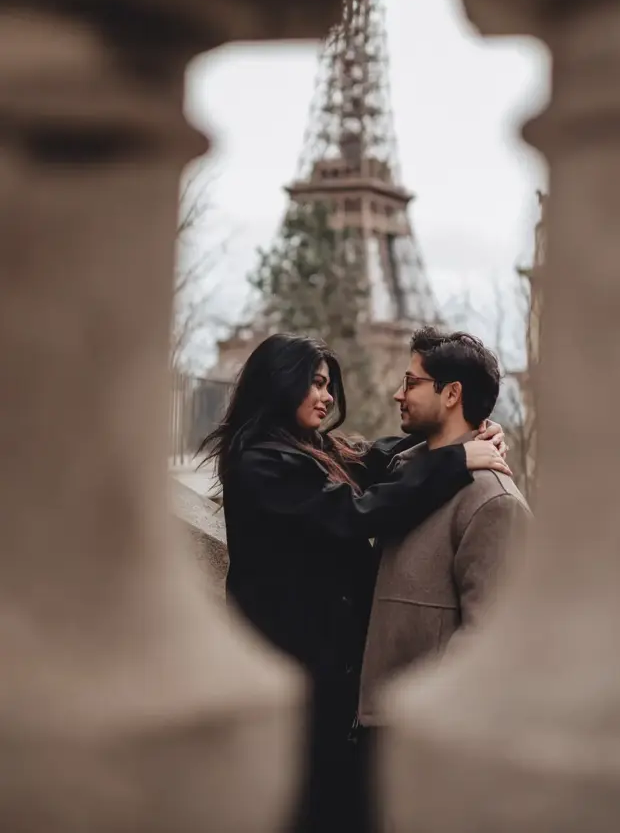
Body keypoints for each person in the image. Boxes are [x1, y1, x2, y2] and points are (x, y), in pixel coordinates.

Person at [200, 332, 509, 833]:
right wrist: (455, 459)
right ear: (281, 384)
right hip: (296, 683)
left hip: (324, 682)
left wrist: (467, 439)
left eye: (329, 386)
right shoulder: (261, 464)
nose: (326, 397)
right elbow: (353, 512)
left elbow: (374, 458)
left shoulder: (303, 449)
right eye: (316, 384)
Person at [358, 327, 531, 736]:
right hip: (374, 725)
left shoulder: (495, 503)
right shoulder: (405, 476)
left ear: (451, 394)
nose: (399, 394)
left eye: (411, 382)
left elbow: (492, 649)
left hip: (421, 739)